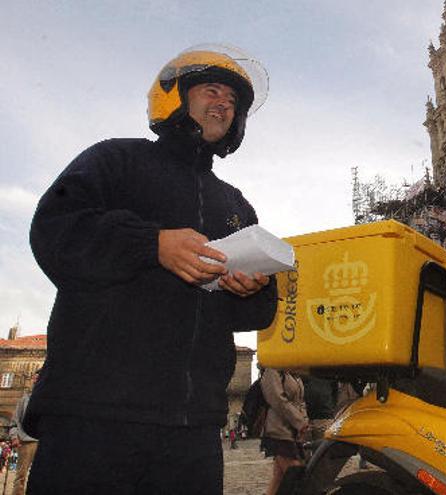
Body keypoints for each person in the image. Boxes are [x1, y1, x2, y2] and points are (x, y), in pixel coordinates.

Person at [26, 44, 278, 494]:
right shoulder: (115, 160)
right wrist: (152, 244)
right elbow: (54, 230)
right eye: (213, 91)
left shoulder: (236, 205)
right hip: (93, 416)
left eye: (233, 102)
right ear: (174, 96)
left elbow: (256, 315)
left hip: (194, 430)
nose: (224, 104)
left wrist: (251, 288)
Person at [261, 368, 309, 495]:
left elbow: (300, 401)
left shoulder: (293, 373)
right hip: (278, 430)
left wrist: (303, 421)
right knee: (294, 472)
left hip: (293, 431)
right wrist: (299, 421)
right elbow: (278, 400)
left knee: (279, 478)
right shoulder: (272, 371)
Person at [9, 369, 40, 495]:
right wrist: (14, 436)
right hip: (26, 442)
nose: (36, 379)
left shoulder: (48, 399)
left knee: (41, 476)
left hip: (43, 442)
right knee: (21, 476)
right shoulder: (25, 399)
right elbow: (15, 421)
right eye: (35, 377)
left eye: (39, 377)